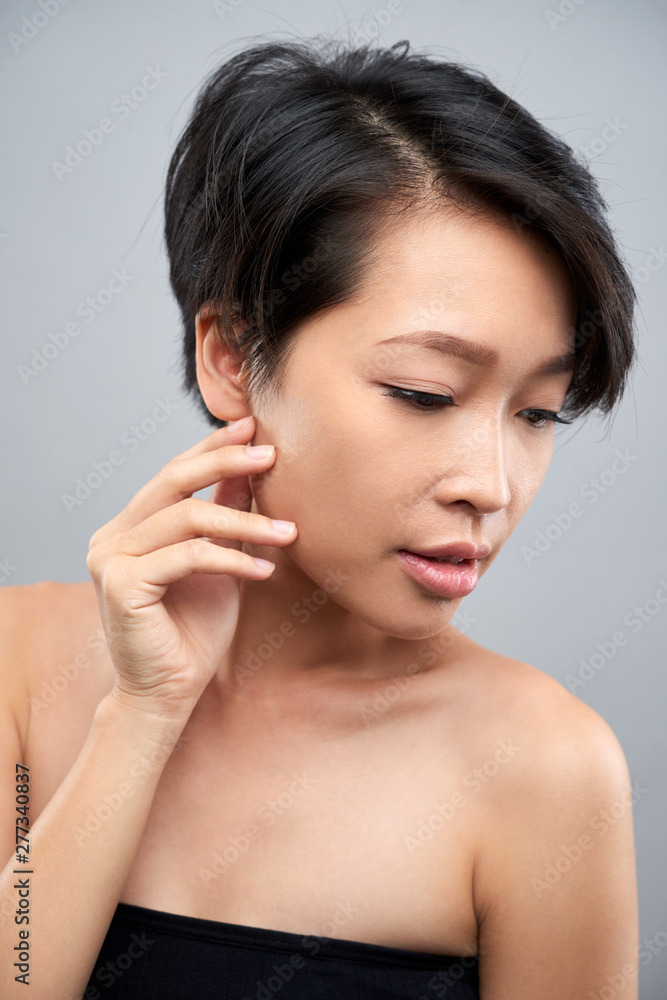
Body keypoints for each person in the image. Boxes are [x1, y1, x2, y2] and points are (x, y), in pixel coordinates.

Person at [0, 36, 639, 1000]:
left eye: (539, 413)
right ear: (232, 358)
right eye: (424, 393)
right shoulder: (17, 666)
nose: (491, 485)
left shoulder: (547, 770)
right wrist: (138, 719)